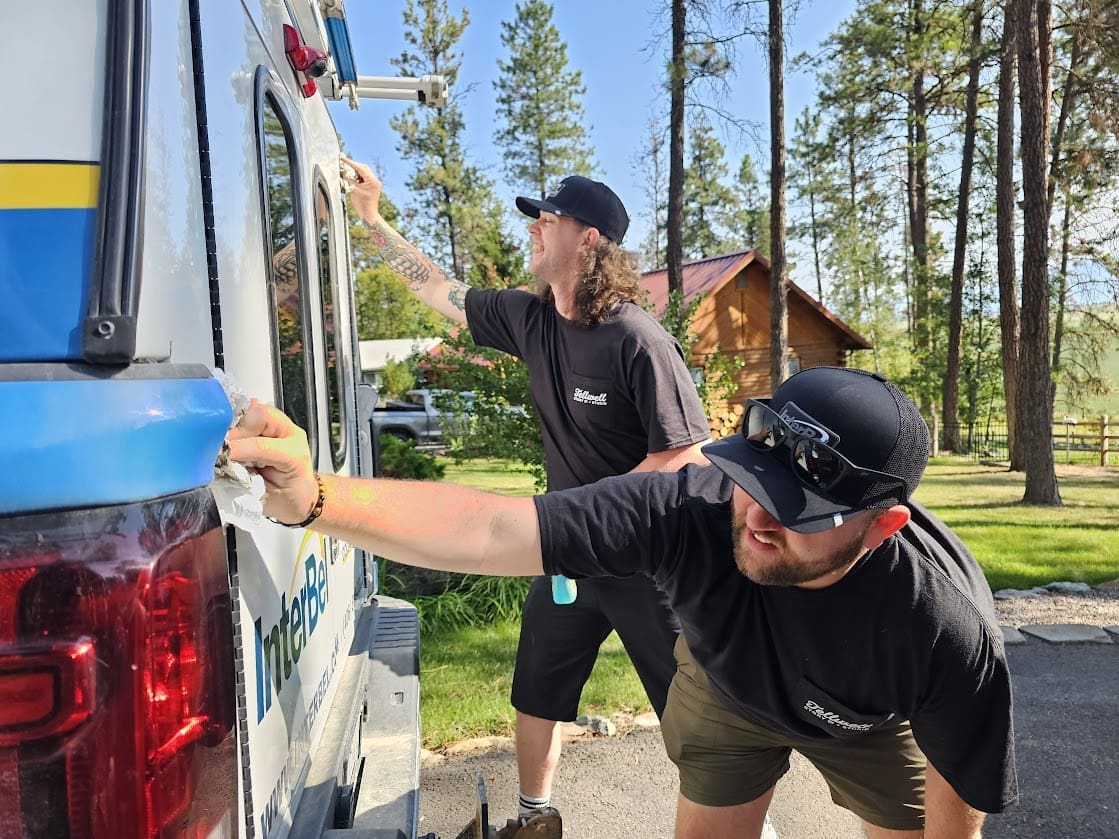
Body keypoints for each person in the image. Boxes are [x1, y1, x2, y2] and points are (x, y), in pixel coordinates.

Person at [229, 365, 1018, 839]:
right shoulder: (690, 508)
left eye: (800, 510)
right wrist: (314, 496)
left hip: (870, 719)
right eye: (756, 479)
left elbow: (960, 795)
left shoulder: (941, 626)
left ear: (882, 528)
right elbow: (491, 526)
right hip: (727, 684)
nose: (759, 516)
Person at [338, 156, 712, 825]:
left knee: (692, 716)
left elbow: (684, 452)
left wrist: (585, 512)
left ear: (588, 239)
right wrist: (372, 221)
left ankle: (741, 820)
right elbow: (438, 290)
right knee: (536, 691)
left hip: (646, 562)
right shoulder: (529, 319)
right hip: (568, 559)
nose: (535, 229)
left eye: (548, 219)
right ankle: (534, 819)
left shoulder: (636, 338)